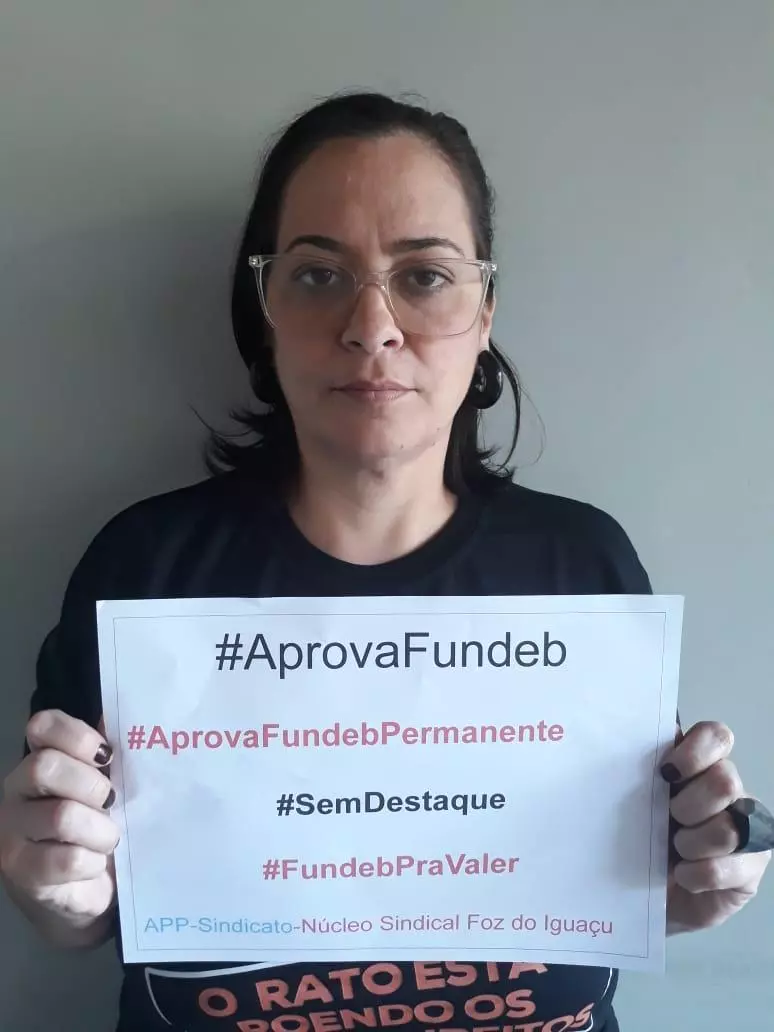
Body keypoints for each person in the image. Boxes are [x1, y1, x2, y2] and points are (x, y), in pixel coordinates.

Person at [1, 91, 771, 1032]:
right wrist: (53, 892)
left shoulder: (581, 566)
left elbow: (619, 886)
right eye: (319, 274)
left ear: (485, 310)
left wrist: (689, 887)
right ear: (265, 307)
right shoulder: (147, 569)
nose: (372, 327)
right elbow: (85, 910)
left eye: (426, 275)